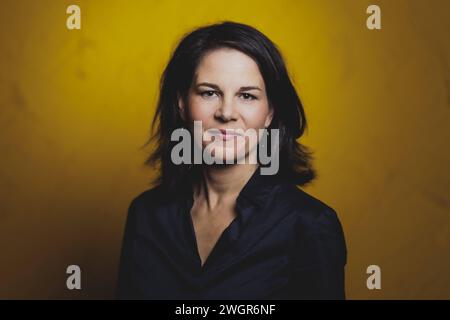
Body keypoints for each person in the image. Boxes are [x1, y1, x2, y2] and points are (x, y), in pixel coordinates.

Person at [116, 21, 347, 299]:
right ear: (182, 103)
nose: (226, 113)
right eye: (209, 92)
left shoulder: (310, 225)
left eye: (247, 96)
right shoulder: (146, 214)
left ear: (270, 112)